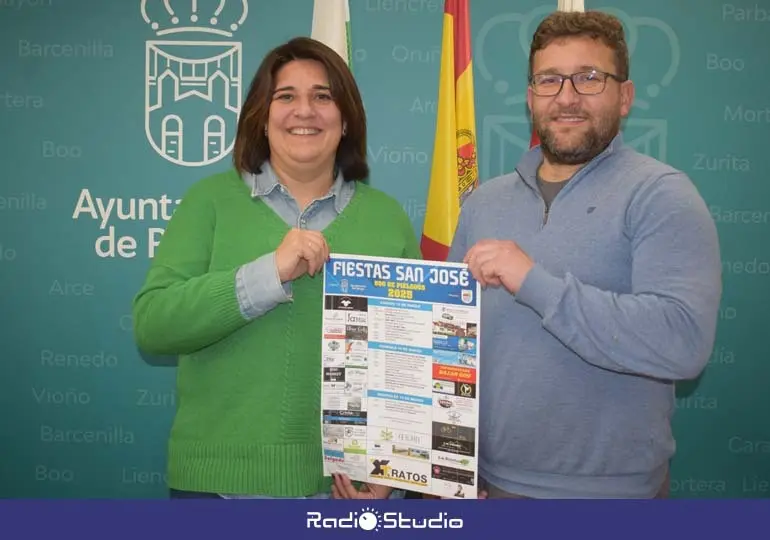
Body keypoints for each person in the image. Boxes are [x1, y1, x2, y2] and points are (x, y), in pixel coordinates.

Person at [332, 9, 721, 500]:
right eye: (549, 80)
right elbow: (445, 349)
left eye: (589, 78)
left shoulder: (662, 196)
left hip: (610, 500)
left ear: (625, 96)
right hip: (487, 488)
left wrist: (533, 281)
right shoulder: (485, 203)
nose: (567, 97)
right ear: (530, 96)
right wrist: (406, 466)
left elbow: (682, 342)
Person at [132, 36, 421, 499]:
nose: (304, 111)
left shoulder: (388, 218)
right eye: (285, 97)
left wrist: (392, 471)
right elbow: (153, 325)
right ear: (261, 119)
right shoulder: (208, 202)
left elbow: (411, 359)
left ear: (345, 120)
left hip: (345, 496)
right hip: (221, 490)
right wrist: (270, 273)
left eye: (322, 97)